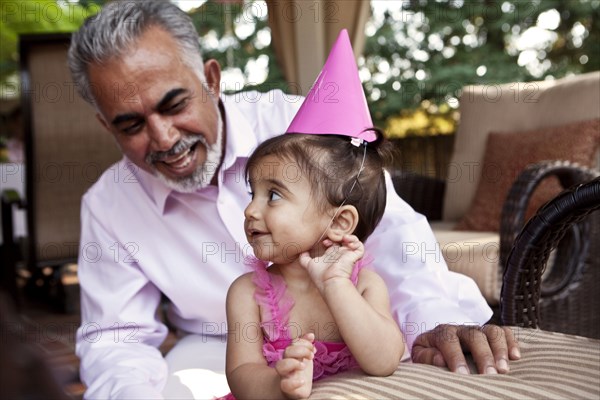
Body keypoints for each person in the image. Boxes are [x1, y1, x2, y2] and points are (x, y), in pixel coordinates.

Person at [67, 1, 519, 398]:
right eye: (131, 125)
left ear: (210, 79)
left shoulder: (295, 127)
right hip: (218, 347)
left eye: (174, 104)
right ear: (108, 127)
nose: (164, 139)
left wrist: (432, 321)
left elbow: (394, 237)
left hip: (357, 330)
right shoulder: (108, 206)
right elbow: (117, 338)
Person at [225, 40, 404, 396]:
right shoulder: (246, 293)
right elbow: (242, 374)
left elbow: (384, 361)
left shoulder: (365, 286)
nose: (249, 210)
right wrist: (279, 383)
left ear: (338, 223)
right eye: (252, 194)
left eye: (273, 195)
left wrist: (335, 283)